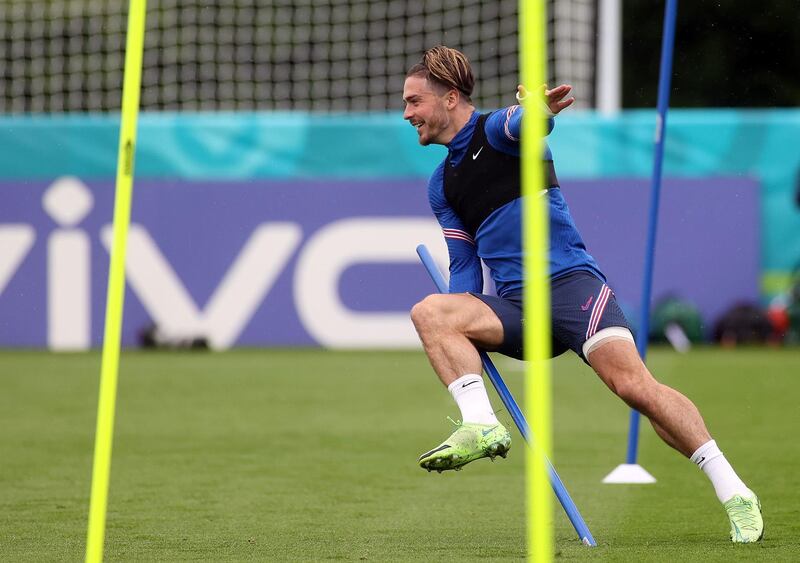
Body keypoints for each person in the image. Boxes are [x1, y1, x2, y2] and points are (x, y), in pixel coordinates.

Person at [402, 45, 763, 543]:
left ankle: (735, 492)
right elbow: (464, 266)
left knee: (635, 388)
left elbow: (525, 124)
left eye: (414, 101)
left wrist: (540, 111)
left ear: (449, 98)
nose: (407, 113)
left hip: (572, 288)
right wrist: (464, 324)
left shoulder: (495, 131)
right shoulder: (441, 184)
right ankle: (482, 425)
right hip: (517, 308)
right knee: (432, 313)